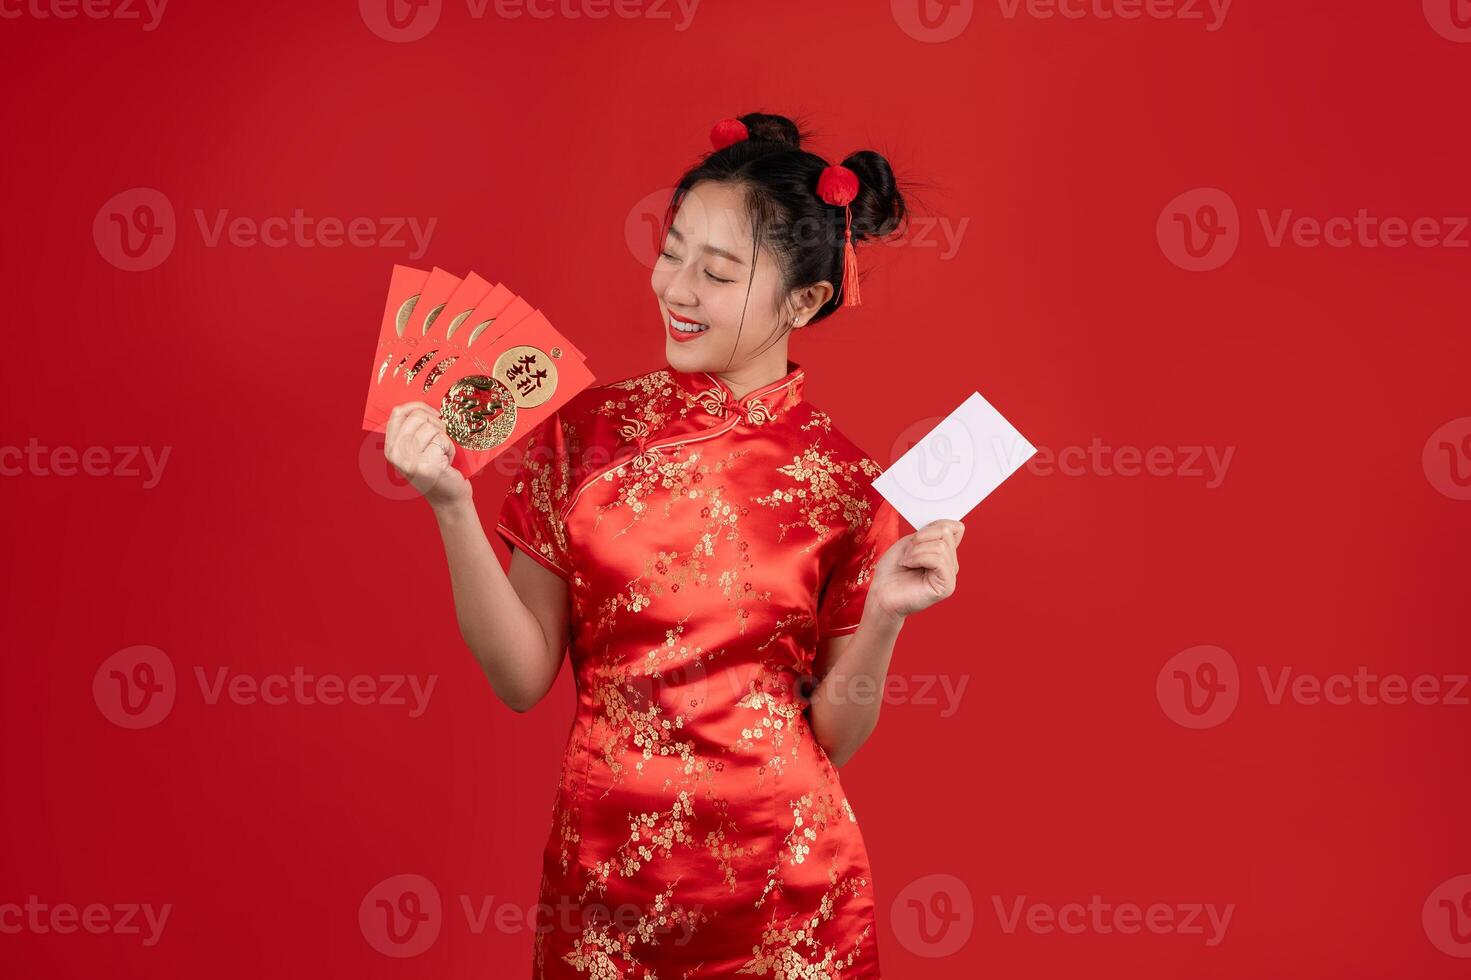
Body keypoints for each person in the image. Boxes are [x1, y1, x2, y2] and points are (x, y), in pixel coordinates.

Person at [384, 111, 965, 977]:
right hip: (604, 889)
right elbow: (519, 678)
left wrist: (884, 613)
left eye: (718, 271)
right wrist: (449, 504)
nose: (676, 287)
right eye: (672, 250)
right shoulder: (583, 432)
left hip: (790, 894)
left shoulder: (848, 484)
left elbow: (833, 737)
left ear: (804, 301)